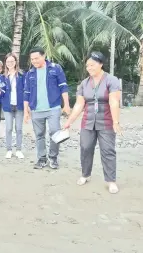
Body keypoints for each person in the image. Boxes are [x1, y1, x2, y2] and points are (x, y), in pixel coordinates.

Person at [63, 52, 121, 194]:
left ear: (101, 64)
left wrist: (116, 122)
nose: (89, 67)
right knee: (85, 148)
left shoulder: (111, 80)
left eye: (92, 65)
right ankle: (85, 174)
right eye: (87, 65)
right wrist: (69, 121)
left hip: (106, 121)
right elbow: (78, 105)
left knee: (108, 151)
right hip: (88, 122)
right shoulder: (84, 84)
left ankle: (111, 181)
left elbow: (114, 102)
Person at [24, 47, 71, 169]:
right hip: (36, 109)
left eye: (37, 58)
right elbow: (26, 93)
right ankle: (41, 158)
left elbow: (63, 86)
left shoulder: (55, 68)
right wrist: (26, 111)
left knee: (55, 132)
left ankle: (53, 158)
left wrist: (66, 104)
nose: (34, 61)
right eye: (32, 59)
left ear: (43, 56)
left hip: (53, 107)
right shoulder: (30, 73)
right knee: (39, 135)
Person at [2, 53, 25, 159]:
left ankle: (19, 150)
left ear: (16, 62)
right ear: (5, 63)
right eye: (8, 62)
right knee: (9, 128)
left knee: (19, 128)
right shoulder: (3, 77)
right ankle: (9, 149)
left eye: (12, 61)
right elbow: (0, 91)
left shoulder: (21, 75)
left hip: (19, 105)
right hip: (8, 106)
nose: (10, 63)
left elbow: (26, 90)